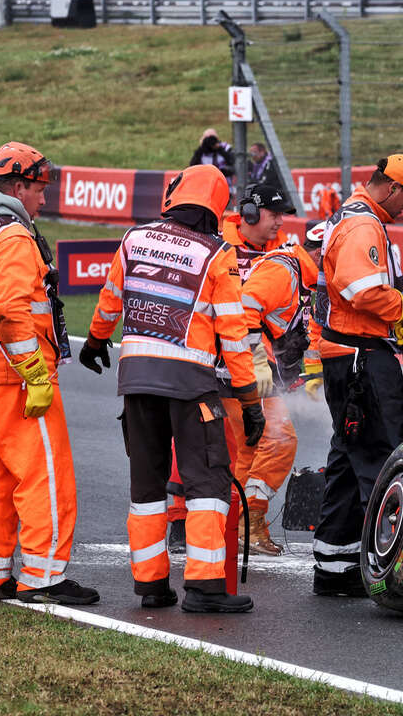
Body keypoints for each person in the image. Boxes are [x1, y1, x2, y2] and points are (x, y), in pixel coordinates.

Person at [81, 164, 265, 613]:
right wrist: (250, 399)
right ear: (217, 209)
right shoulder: (216, 254)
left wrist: (96, 339)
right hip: (191, 387)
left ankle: (152, 587)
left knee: (146, 487)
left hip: (137, 382)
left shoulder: (135, 239)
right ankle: (203, 589)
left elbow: (111, 296)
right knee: (206, 483)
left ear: (172, 197)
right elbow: (235, 336)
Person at [0, 142, 98, 605]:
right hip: (12, 372)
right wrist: (34, 372)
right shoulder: (10, 236)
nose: (43, 200)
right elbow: (10, 309)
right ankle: (43, 575)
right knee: (44, 474)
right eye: (38, 189)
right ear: (17, 186)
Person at [311, 154, 403, 596]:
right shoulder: (364, 225)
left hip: (349, 353)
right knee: (385, 460)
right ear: (391, 188)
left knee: (348, 459)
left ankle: (333, 566)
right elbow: (359, 288)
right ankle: (392, 570)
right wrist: (401, 312)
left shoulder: (358, 217)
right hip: (361, 355)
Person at [215, 182, 298, 556]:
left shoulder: (278, 253)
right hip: (234, 368)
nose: (279, 222)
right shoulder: (220, 248)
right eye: (273, 214)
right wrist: (257, 359)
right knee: (280, 441)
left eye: (283, 215)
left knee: (249, 449)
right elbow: (240, 310)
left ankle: (239, 525)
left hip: (241, 368)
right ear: (248, 214)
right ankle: (250, 522)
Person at [190, 128, 236, 193]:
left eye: (212, 138)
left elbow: (233, 163)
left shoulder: (225, 147)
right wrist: (201, 149)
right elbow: (192, 166)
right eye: (207, 138)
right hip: (205, 188)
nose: (210, 141)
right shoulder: (201, 151)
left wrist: (219, 149)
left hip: (224, 187)